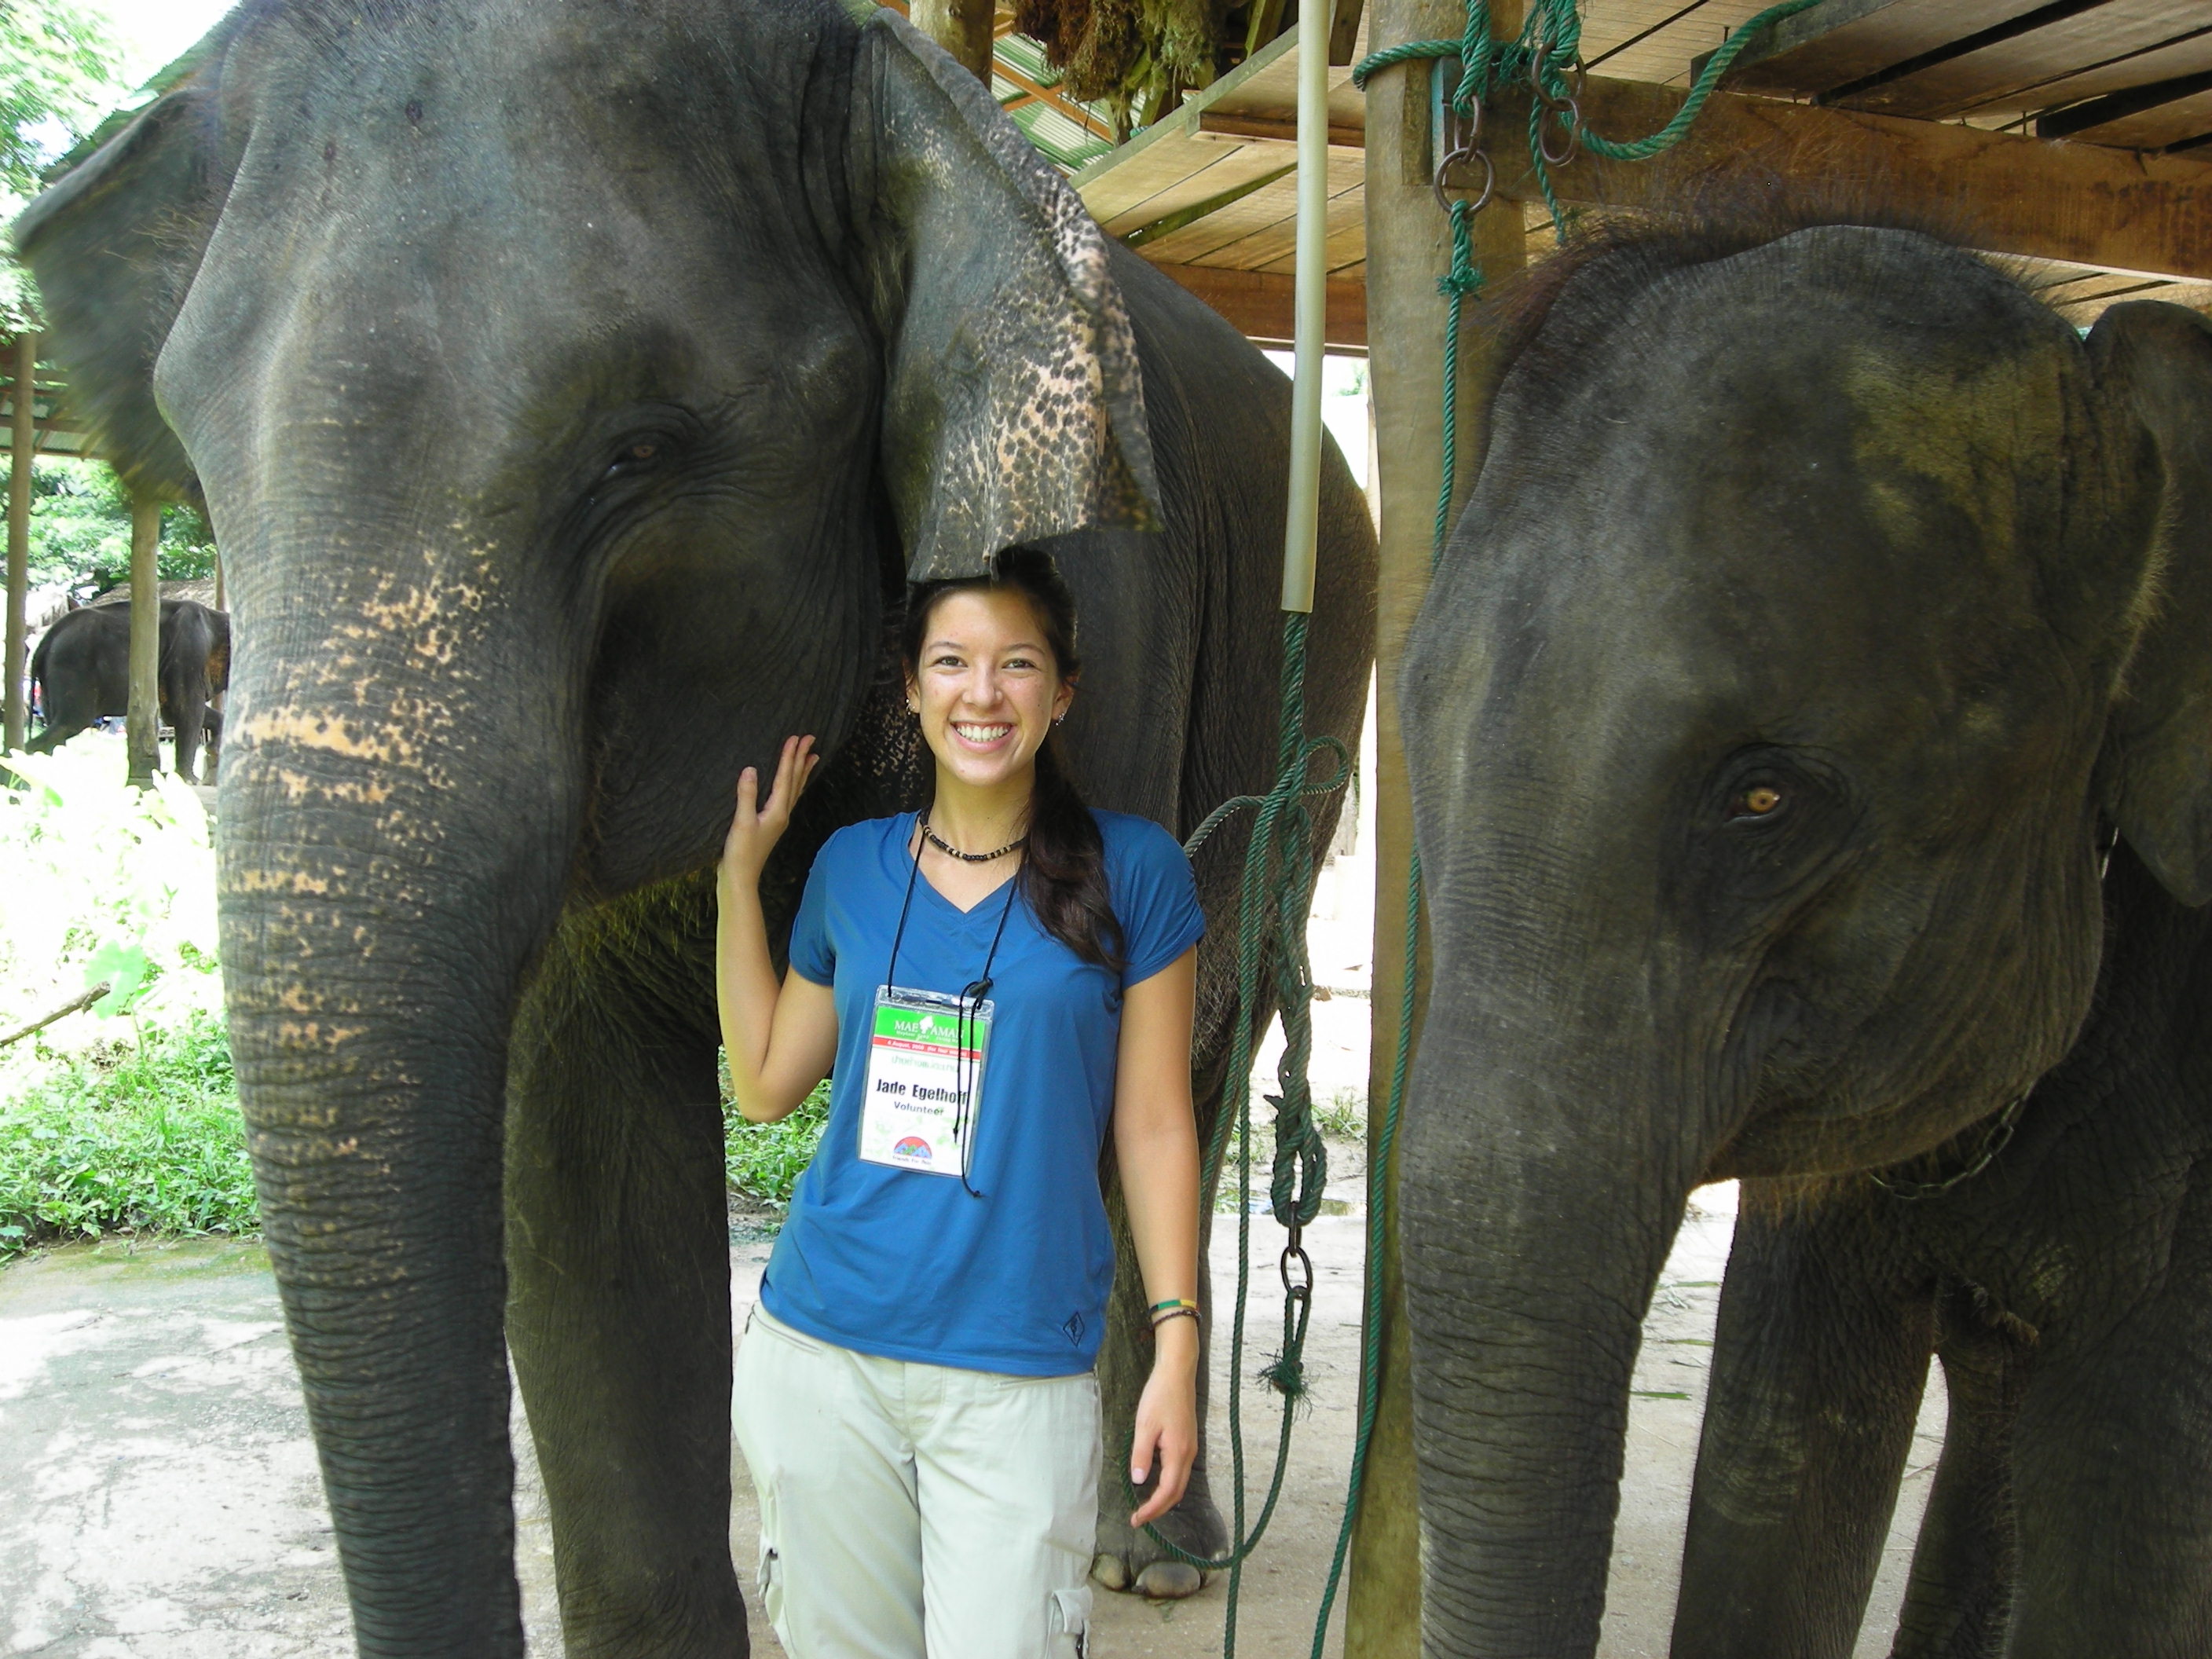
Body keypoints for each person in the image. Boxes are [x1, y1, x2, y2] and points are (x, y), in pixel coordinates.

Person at [716, 546, 1205, 1659]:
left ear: (1062, 691)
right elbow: (762, 1082)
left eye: (1016, 665)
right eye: (952, 662)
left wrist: (1176, 1345)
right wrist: (738, 882)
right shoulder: (850, 866)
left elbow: (1155, 1123)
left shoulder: (1135, 871)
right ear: (913, 687)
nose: (982, 694)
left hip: (1017, 1374)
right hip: (823, 1353)